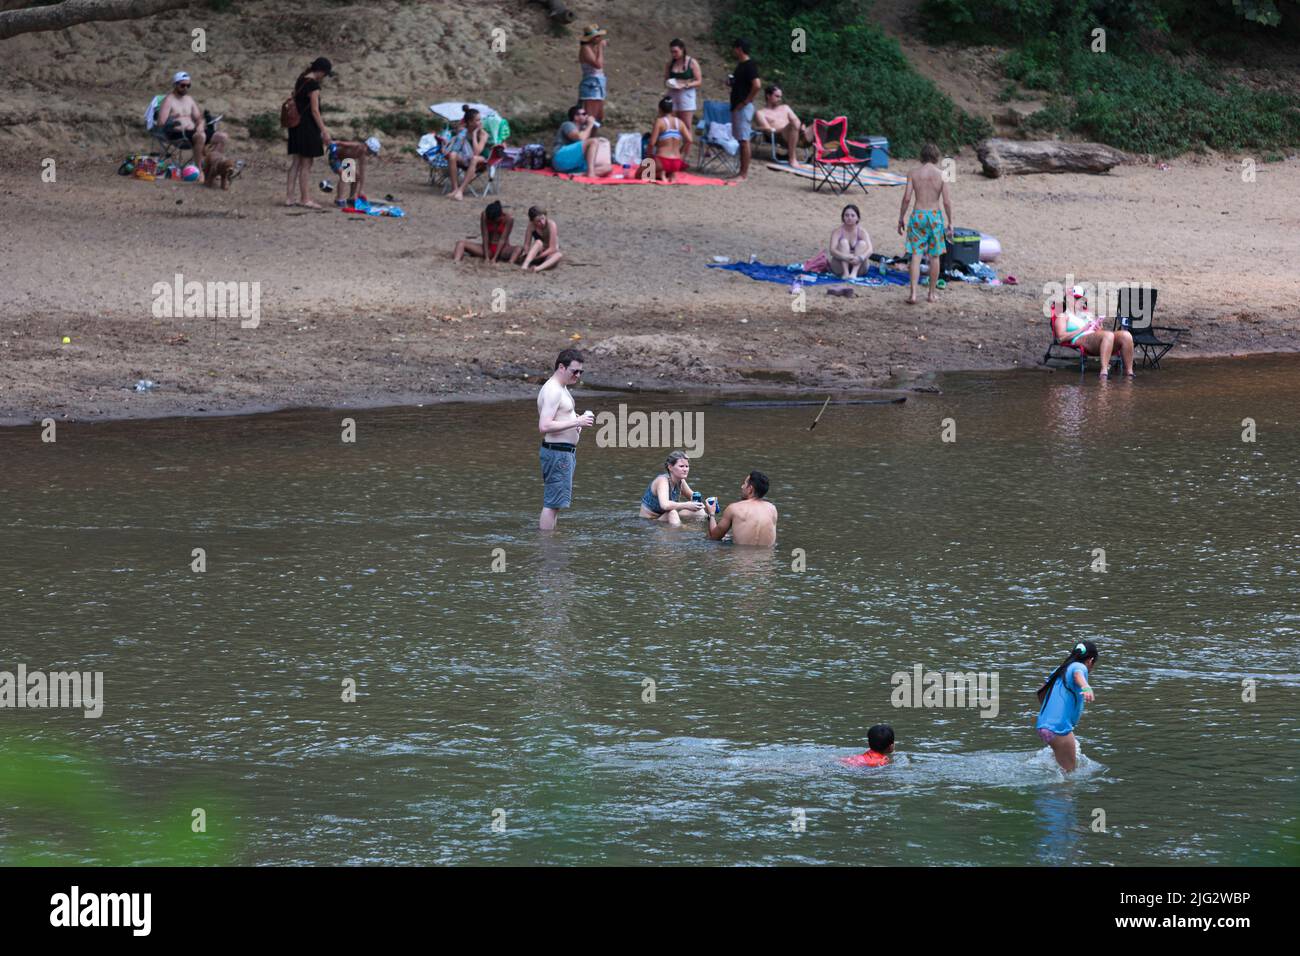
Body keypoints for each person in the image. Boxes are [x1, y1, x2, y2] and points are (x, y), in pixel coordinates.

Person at [537, 349, 594, 531]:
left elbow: (560, 416)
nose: (578, 375)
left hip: (562, 452)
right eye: (574, 371)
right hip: (557, 452)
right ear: (561, 367)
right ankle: (547, 545)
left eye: (580, 372)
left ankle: (551, 542)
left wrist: (574, 421)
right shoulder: (553, 390)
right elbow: (544, 426)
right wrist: (577, 421)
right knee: (552, 504)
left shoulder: (561, 388)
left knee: (555, 504)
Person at [897, 143, 953, 304]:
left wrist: (901, 217)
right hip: (934, 216)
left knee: (916, 255)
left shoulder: (913, 173)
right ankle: (931, 294)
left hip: (918, 215)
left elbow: (907, 198)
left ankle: (913, 294)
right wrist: (950, 222)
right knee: (934, 256)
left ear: (922, 156)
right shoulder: (942, 174)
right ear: (936, 157)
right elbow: (947, 202)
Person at [1035, 640, 1099, 773]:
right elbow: (1078, 674)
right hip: (1059, 729)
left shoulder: (1060, 670)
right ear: (1090, 660)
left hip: (1044, 727)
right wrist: (1086, 687)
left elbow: (1040, 691)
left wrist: (1051, 713)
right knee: (1069, 776)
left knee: (1057, 767)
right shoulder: (1079, 667)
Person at [157, 71, 229, 183]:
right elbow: (161, 122)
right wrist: (173, 120)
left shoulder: (189, 99)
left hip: (194, 131)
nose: (185, 88)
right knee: (200, 136)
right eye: (182, 85)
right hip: (177, 133)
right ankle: (199, 171)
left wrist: (200, 125)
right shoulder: (168, 100)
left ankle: (213, 167)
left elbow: (199, 118)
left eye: (188, 85)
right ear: (175, 84)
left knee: (222, 137)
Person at [1053, 285, 1135, 379]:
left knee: (1126, 335)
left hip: (1096, 339)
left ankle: (1130, 373)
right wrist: (1083, 329)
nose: (1078, 301)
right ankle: (1104, 371)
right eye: (1075, 298)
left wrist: (1098, 328)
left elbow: (1101, 334)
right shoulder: (1063, 316)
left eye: (1080, 298)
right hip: (1080, 338)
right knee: (1108, 335)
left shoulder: (1086, 315)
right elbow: (1060, 338)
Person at [285, 57, 334, 208]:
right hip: (307, 127)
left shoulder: (301, 79)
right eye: (325, 74)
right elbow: (315, 110)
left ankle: (289, 198)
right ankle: (305, 198)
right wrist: (324, 131)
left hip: (295, 126)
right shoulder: (313, 85)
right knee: (306, 163)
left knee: (295, 162)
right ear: (321, 71)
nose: (324, 77)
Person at [705, 470, 777, 546]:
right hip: (766, 557)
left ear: (750, 489)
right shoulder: (772, 509)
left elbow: (714, 537)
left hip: (740, 557)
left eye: (744, 483)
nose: (742, 486)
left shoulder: (734, 508)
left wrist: (711, 514)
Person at [639, 451, 706, 524]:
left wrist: (706, 505)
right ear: (670, 467)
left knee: (699, 511)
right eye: (681, 466)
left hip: (665, 517)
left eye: (687, 466)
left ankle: (697, 531)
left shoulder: (681, 481)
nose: (685, 469)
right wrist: (687, 505)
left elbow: (693, 497)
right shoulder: (662, 481)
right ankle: (682, 531)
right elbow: (665, 505)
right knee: (672, 513)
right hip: (649, 522)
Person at [753, 85, 811, 168]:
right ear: (768, 96)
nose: (779, 99)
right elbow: (768, 130)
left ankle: (816, 158)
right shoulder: (761, 113)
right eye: (777, 96)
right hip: (779, 137)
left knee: (817, 124)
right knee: (793, 123)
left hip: (796, 134)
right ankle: (792, 158)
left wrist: (801, 127)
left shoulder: (785, 108)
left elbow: (797, 121)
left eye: (780, 97)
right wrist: (786, 128)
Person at [728, 38, 761, 181]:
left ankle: (743, 174)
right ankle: (741, 172)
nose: (733, 51)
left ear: (739, 49)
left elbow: (757, 85)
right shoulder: (741, 65)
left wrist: (746, 101)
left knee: (744, 140)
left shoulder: (749, 65)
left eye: (735, 48)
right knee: (741, 139)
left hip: (743, 106)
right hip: (737, 105)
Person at [453, 201, 521, 265]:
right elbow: (485, 236)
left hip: (502, 249)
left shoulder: (509, 219)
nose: (494, 222)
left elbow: (502, 239)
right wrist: (486, 257)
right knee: (460, 243)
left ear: (500, 216)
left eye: (495, 220)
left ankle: (510, 264)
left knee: (519, 248)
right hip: (488, 248)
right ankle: (456, 261)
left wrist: (495, 258)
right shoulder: (485, 215)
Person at [552, 105, 612, 177]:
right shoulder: (567, 125)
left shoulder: (583, 129)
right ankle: (591, 173)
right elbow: (580, 138)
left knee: (608, 167)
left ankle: (581, 174)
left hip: (575, 162)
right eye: (584, 114)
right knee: (593, 141)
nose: (586, 116)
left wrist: (590, 126)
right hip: (560, 158)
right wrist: (590, 125)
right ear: (576, 117)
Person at [646, 97, 692, 183]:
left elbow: (651, 143)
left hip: (662, 159)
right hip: (676, 162)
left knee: (639, 174)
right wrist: (680, 152)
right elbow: (689, 140)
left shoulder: (659, 122)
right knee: (668, 167)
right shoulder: (680, 122)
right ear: (672, 110)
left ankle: (659, 174)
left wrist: (649, 158)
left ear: (660, 109)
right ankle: (671, 174)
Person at [447, 107, 488, 201]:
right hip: (466, 158)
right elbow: (457, 143)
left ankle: (461, 191)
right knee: (452, 155)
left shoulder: (483, 134)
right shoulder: (463, 131)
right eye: (477, 120)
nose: (480, 122)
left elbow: (477, 152)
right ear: (470, 122)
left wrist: (474, 134)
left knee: (474, 158)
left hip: (482, 159)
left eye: (480, 119)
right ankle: (455, 189)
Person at [327, 136, 380, 206]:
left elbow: (362, 173)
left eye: (371, 153)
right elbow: (340, 143)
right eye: (369, 151)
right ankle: (338, 199)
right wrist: (331, 144)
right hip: (335, 157)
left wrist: (361, 189)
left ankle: (351, 198)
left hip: (345, 161)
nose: (369, 154)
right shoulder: (356, 145)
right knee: (344, 175)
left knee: (356, 177)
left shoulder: (362, 156)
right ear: (365, 145)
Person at [664, 38, 702, 130]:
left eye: (676, 52)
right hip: (673, 93)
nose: (673, 54)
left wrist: (685, 85)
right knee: (672, 123)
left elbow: (699, 81)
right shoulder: (670, 64)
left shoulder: (691, 62)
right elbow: (666, 79)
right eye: (672, 52)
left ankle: (687, 142)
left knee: (686, 125)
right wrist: (670, 83)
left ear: (682, 49)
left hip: (686, 94)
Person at [829, 204, 873, 278]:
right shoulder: (837, 232)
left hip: (859, 267)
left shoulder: (862, 232)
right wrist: (845, 257)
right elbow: (832, 250)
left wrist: (860, 258)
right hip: (840, 267)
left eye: (852, 215)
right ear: (843, 217)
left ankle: (854, 273)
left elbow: (870, 250)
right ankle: (845, 273)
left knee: (862, 243)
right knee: (843, 242)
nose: (849, 218)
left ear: (857, 218)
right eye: (847, 215)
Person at [578, 25, 608, 124]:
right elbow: (598, 64)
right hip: (591, 84)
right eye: (597, 36)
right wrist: (600, 48)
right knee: (591, 117)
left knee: (599, 117)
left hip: (598, 83)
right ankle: (588, 137)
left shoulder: (592, 48)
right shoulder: (585, 48)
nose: (600, 38)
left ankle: (593, 137)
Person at [520, 207, 563, 272]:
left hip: (549, 253)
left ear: (545, 216)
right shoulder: (531, 226)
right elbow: (527, 244)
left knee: (559, 255)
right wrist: (526, 253)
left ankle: (537, 268)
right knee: (538, 242)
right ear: (533, 221)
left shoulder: (551, 224)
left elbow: (553, 248)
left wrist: (539, 256)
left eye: (543, 218)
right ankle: (525, 265)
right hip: (539, 251)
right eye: (538, 221)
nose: (542, 222)